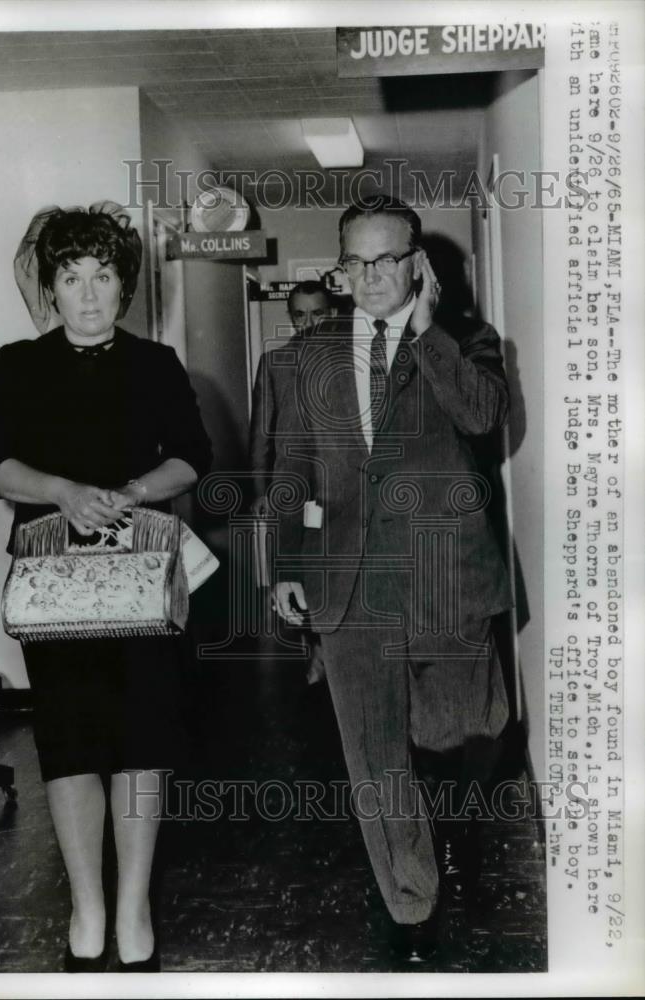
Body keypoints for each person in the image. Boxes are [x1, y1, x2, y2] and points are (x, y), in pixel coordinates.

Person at [0, 202, 212, 973]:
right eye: (71, 277)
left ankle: (133, 907)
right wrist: (62, 491)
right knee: (71, 745)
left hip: (141, 577)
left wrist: (135, 491)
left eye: (102, 275)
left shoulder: (156, 365)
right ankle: (87, 909)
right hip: (55, 585)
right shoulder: (19, 363)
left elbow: (193, 457)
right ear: (51, 286)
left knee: (143, 742)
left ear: (123, 284)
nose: (88, 293)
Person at [272, 196, 511, 963]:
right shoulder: (307, 357)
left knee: (458, 734)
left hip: (444, 572)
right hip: (348, 581)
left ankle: (453, 838)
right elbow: (290, 469)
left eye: (385, 259)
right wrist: (281, 564)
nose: (370, 276)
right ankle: (411, 905)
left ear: (415, 264)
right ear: (340, 268)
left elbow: (480, 419)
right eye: (355, 261)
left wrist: (422, 331)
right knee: (374, 757)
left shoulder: (465, 340)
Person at [249, 281, 336, 684]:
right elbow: (260, 434)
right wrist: (260, 490)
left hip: (338, 489)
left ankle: (330, 648)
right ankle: (313, 646)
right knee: (295, 569)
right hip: (291, 490)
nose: (308, 323)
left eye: (317, 314)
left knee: (334, 568)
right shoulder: (274, 362)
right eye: (299, 316)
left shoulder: (351, 359)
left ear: (332, 313)